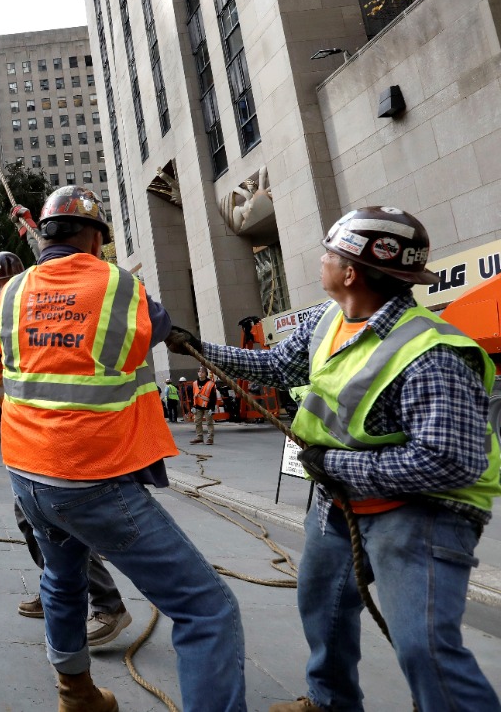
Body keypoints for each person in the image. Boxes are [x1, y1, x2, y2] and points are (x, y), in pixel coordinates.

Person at [168, 206, 501, 712]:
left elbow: (451, 460)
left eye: (329, 254)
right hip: (339, 506)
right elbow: (277, 365)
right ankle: (330, 702)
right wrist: (195, 346)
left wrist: (339, 467)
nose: (320, 261)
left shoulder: (430, 352)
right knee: (322, 608)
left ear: (350, 272)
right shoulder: (330, 320)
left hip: (422, 515)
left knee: (425, 648)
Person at [0, 185, 245, 712]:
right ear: (95, 237)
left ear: (46, 234)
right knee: (207, 608)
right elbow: (160, 324)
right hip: (90, 477)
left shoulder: (11, 293)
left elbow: (3, 366)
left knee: (61, 580)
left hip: (26, 474)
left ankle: (76, 694)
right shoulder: (117, 285)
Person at [0, 247, 133, 635]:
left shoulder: (39, 318)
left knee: (61, 515)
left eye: (3, 283)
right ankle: (58, 586)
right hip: (23, 437)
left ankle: (107, 603)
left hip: (54, 435)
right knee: (31, 517)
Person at [190, 367, 222, 445]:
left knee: (209, 423)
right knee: (197, 422)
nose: (200, 373)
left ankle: (210, 438)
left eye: (202, 372)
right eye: (199, 372)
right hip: (197, 406)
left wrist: (212, 408)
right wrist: (192, 406)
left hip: (207, 406)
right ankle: (199, 437)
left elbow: (213, 397)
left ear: (205, 374)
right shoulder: (194, 383)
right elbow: (193, 395)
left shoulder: (211, 384)